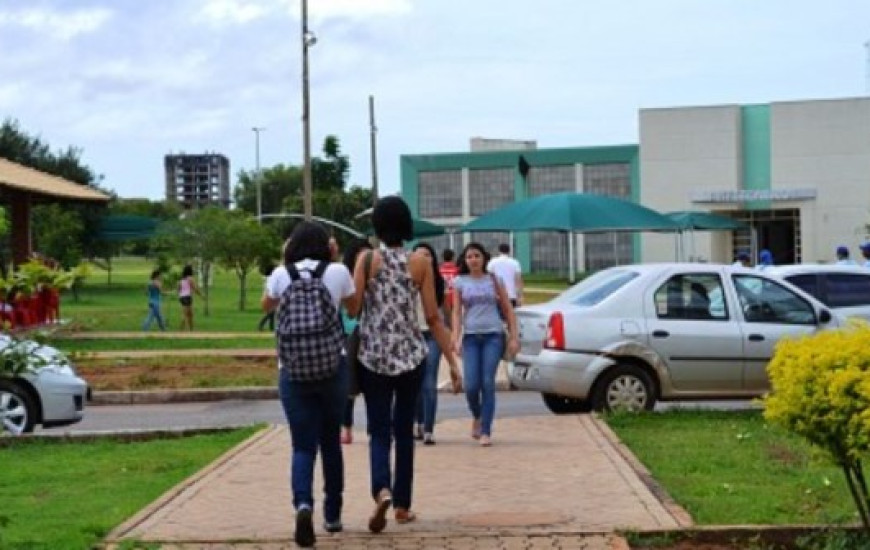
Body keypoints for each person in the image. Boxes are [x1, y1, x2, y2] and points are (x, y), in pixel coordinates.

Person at [347, 196, 459, 533]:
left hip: (373, 357)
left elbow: (352, 310)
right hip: (411, 356)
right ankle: (402, 506)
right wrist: (452, 362)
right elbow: (432, 318)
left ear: (378, 226)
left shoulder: (366, 260)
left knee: (378, 430)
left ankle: (381, 489)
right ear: (407, 225)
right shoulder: (420, 263)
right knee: (404, 432)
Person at [261, 221, 358, 548]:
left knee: (302, 446)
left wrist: (282, 262)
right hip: (332, 366)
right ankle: (332, 514)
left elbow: (266, 306)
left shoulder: (280, 274)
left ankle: (303, 505)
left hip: (292, 370)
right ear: (327, 246)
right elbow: (353, 308)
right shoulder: (338, 272)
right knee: (330, 442)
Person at [451, 242, 519, 447]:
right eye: (469, 256)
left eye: (477, 256)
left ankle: (486, 430)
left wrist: (514, 337)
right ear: (464, 260)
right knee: (471, 385)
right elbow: (456, 312)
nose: (473, 260)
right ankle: (477, 415)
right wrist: (456, 336)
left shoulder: (494, 280)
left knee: (487, 382)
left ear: (484, 259)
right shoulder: (459, 282)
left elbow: (508, 309)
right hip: (471, 337)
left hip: (493, 336)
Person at [412, 242, 459, 446]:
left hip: (433, 336)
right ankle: (418, 422)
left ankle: (429, 428)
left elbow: (445, 315)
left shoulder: (438, 284)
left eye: (428, 255)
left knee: (429, 381)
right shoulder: (406, 281)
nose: (424, 259)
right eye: (420, 255)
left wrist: (452, 337)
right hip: (412, 336)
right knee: (414, 384)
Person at [339, 238, 373, 445]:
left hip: (370, 333)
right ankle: (346, 426)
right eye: (360, 254)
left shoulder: (376, 276)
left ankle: (373, 427)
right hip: (349, 332)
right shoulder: (344, 277)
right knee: (348, 382)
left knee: (372, 382)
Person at [178, 264, 203, 331]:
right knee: (186, 314)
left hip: (182, 297)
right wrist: (201, 295)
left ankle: (191, 330)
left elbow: (179, 289)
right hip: (187, 297)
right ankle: (182, 330)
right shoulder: (190, 279)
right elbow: (195, 288)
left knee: (190, 314)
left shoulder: (182, 279)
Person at [439, 248, 459, 319]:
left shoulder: (439, 270)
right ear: (453, 257)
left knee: (445, 320)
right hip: (455, 297)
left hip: (442, 298)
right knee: (455, 318)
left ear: (442, 257)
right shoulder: (457, 270)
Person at [257, 263, 277, 331]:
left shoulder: (267, 278)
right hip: (269, 297)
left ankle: (271, 328)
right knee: (270, 313)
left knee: (272, 314)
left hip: (267, 296)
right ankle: (260, 326)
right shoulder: (271, 278)